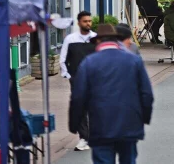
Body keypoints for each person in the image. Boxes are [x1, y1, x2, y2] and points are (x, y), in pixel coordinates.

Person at [69, 25, 153, 164]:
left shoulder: (89, 63)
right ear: (116, 40)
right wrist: (144, 117)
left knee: (103, 160)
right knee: (128, 159)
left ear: (97, 41)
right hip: (129, 124)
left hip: (101, 124)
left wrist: (74, 123)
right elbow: (146, 93)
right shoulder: (133, 60)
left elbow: (78, 97)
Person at [61, 11, 97, 151]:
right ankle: (84, 138)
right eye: (85, 21)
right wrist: (68, 76)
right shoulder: (70, 39)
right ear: (79, 23)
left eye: (89, 21)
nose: (88, 23)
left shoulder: (96, 38)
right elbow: (63, 59)